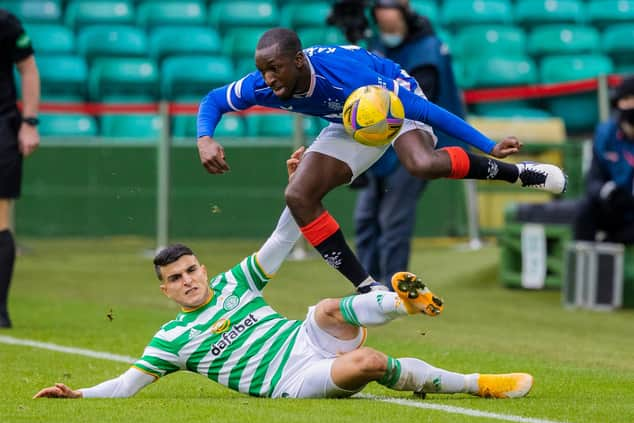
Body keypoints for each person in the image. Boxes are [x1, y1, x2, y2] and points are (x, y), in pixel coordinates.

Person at [33, 149, 533, 401]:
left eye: (190, 270)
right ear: (164, 290)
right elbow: (125, 385)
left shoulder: (234, 283)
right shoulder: (172, 340)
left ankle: (403, 302)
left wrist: (298, 187)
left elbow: (281, 240)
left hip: (304, 335)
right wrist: (78, 395)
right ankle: (478, 384)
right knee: (369, 362)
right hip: (293, 378)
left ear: (202, 269)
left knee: (326, 308)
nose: (187, 280)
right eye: (176, 278)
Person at [196, 27, 567, 294]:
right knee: (298, 195)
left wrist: (488, 143)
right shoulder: (262, 85)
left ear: (298, 60)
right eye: (263, 69)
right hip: (349, 118)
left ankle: (519, 174)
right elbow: (214, 99)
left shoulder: (348, 76)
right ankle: (367, 287)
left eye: (275, 68)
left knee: (419, 163)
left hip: (387, 99)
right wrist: (205, 138)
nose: (268, 78)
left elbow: (426, 109)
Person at [353, 0, 468, 286]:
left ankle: (393, 290)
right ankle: (367, 288)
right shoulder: (376, 43)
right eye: (380, 21)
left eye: (390, 21)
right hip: (379, 142)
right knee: (366, 219)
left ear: (403, 15)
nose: (385, 28)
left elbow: (416, 105)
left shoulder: (428, 50)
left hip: (416, 142)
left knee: (394, 221)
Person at [0, 9, 40, 328]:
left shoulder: (6, 22)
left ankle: (0, 311)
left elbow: (28, 70)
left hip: (2, 127)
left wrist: (29, 123)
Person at [574, 75, 634, 243]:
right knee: (585, 211)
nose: (631, 104)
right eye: (627, 99)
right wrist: (609, 192)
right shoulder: (605, 134)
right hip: (614, 208)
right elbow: (593, 181)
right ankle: (582, 265)